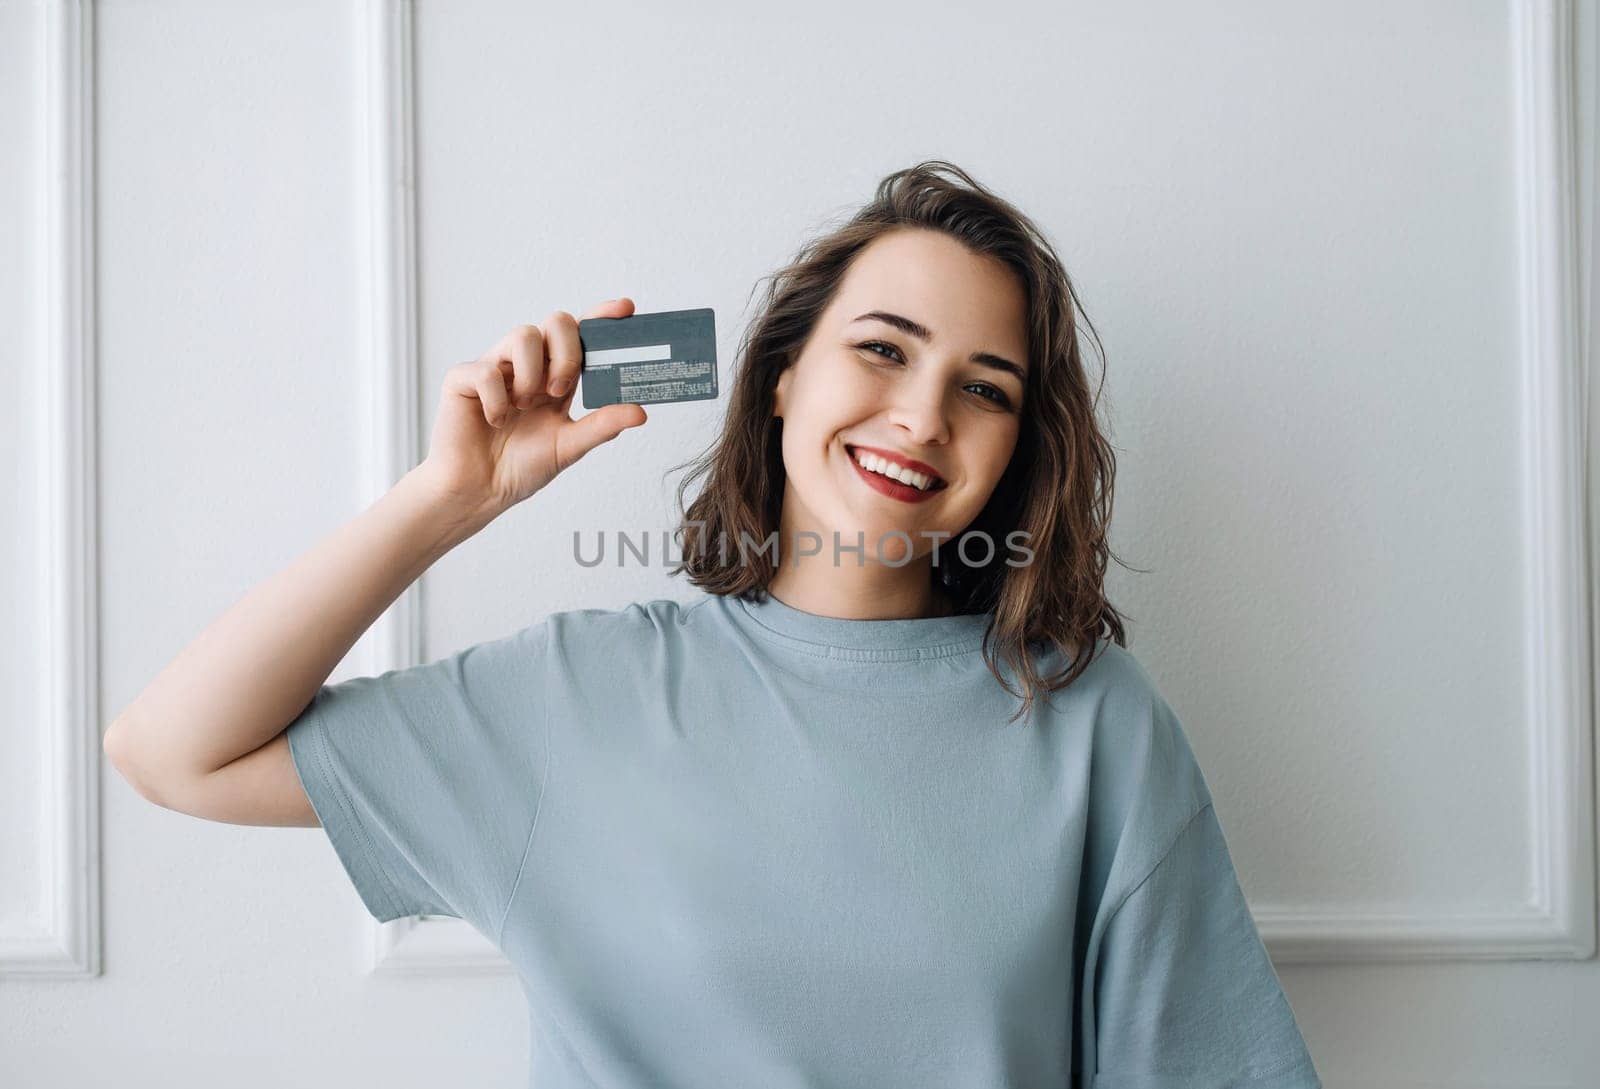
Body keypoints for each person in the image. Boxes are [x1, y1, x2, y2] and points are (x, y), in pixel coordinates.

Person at [105, 160, 1322, 1089]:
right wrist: (450, 501)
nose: (921, 416)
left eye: (982, 388)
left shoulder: (1091, 720)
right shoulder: (579, 695)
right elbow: (172, 752)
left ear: (1017, 446)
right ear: (784, 373)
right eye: (882, 350)